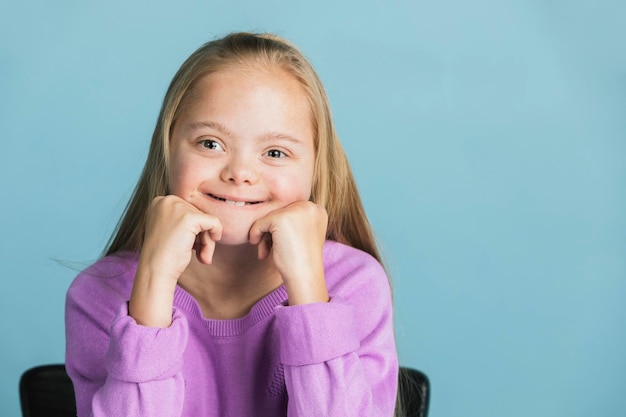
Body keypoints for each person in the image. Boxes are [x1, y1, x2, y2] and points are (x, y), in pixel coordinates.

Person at [65, 32, 398, 417]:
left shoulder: (355, 285)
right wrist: (153, 284)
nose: (239, 173)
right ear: (168, 149)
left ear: (315, 168)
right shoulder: (100, 294)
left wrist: (309, 290)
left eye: (275, 152)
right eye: (210, 143)